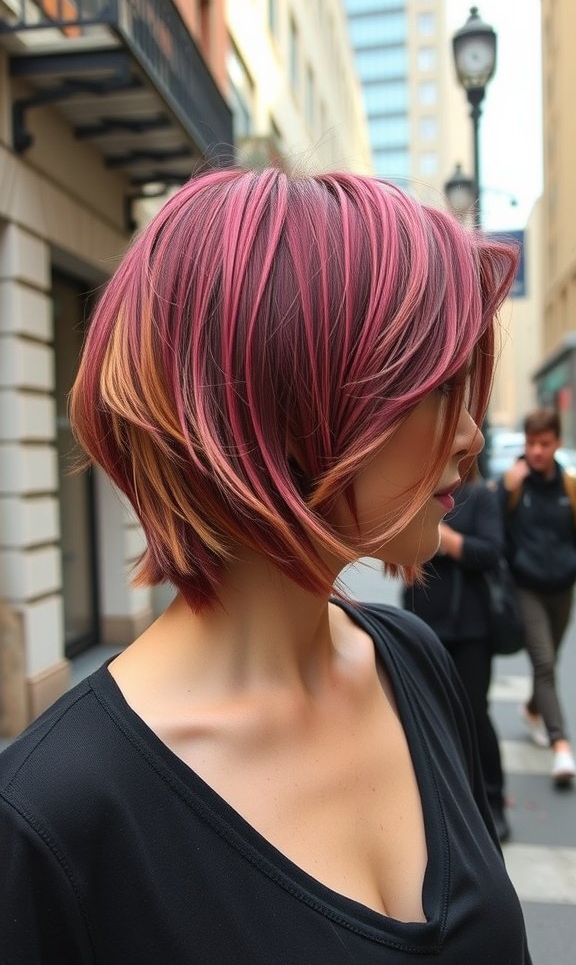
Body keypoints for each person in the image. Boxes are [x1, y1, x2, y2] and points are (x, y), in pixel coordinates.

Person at [0, 168, 530, 964]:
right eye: (435, 388)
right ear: (285, 395)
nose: (470, 436)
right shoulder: (51, 819)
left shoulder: (412, 665)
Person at [402, 474, 510, 842]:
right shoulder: (417, 491)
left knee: (474, 714)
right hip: (424, 621)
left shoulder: (478, 496)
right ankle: (441, 810)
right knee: (425, 718)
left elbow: (490, 552)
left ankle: (492, 801)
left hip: (471, 627)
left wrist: (444, 540)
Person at [499, 407, 576, 787]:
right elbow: (493, 532)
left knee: (550, 659)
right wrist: (503, 490)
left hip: (562, 590)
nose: (536, 451)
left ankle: (532, 709)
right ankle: (561, 746)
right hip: (525, 588)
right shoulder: (515, 486)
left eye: (544, 443)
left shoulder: (570, 487)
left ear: (557, 444)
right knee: (544, 663)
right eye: (531, 443)